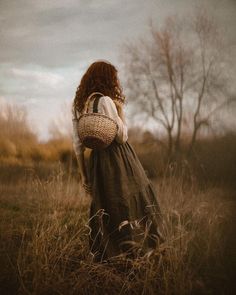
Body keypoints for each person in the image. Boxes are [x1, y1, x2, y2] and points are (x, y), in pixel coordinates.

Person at [72, 60, 163, 262]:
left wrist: (84, 176)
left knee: (105, 205)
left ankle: (106, 255)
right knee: (129, 199)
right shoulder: (106, 101)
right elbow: (122, 137)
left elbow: (77, 145)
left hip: (96, 162)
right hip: (119, 158)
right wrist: (120, 111)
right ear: (107, 79)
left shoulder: (78, 105)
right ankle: (138, 249)